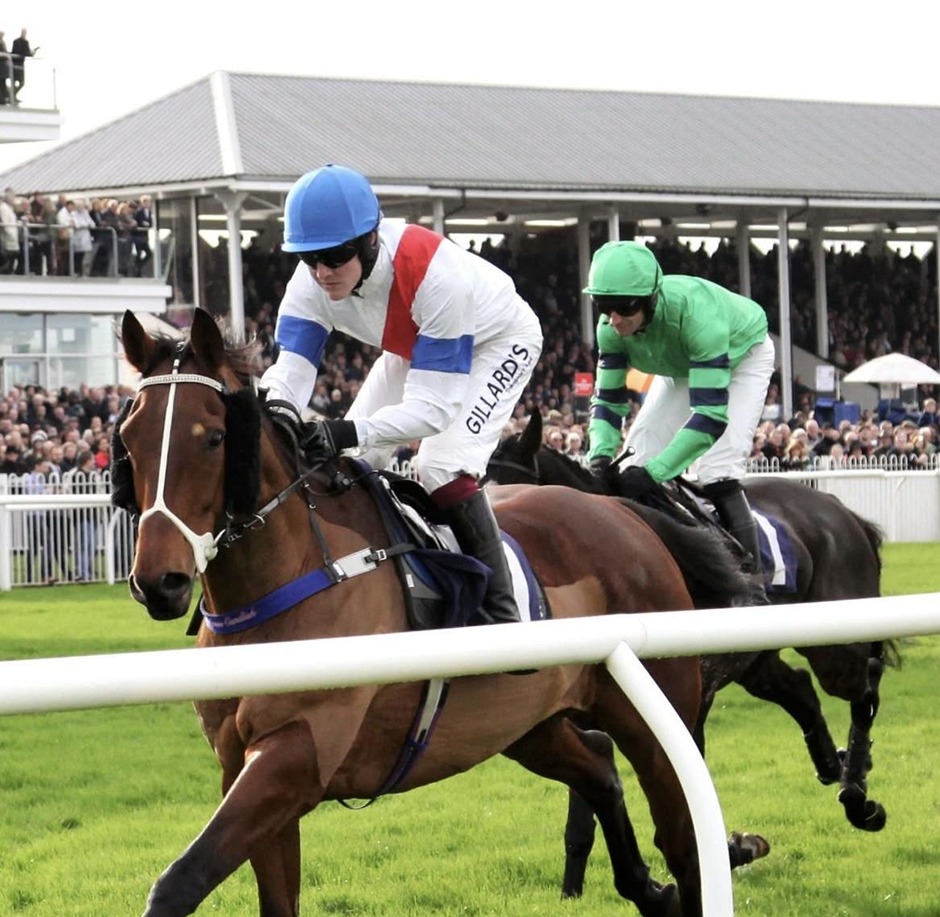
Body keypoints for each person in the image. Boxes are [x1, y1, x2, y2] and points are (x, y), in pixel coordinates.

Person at [260, 164, 542, 626]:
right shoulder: (308, 282)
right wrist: (272, 417)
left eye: (334, 256)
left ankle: (502, 610)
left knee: (440, 467)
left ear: (370, 240)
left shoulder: (436, 277)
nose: (322, 272)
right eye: (309, 258)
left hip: (498, 341)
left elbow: (433, 411)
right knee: (351, 464)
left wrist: (346, 429)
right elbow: (289, 375)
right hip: (415, 345)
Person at [584, 240, 775, 592]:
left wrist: (656, 473)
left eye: (624, 308)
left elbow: (709, 418)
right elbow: (608, 401)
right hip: (682, 366)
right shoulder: (609, 329)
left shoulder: (698, 316)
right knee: (634, 462)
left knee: (716, 470)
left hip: (742, 357)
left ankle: (752, 586)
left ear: (651, 298)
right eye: (604, 306)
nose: (614, 319)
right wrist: (599, 455)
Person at [10, 28, 34, 104]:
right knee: (14, 81)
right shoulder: (16, 41)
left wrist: (31, 53)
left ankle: (13, 95)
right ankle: (12, 96)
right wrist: (29, 53)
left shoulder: (26, 42)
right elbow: (16, 51)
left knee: (22, 82)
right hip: (15, 64)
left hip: (21, 64)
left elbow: (27, 53)